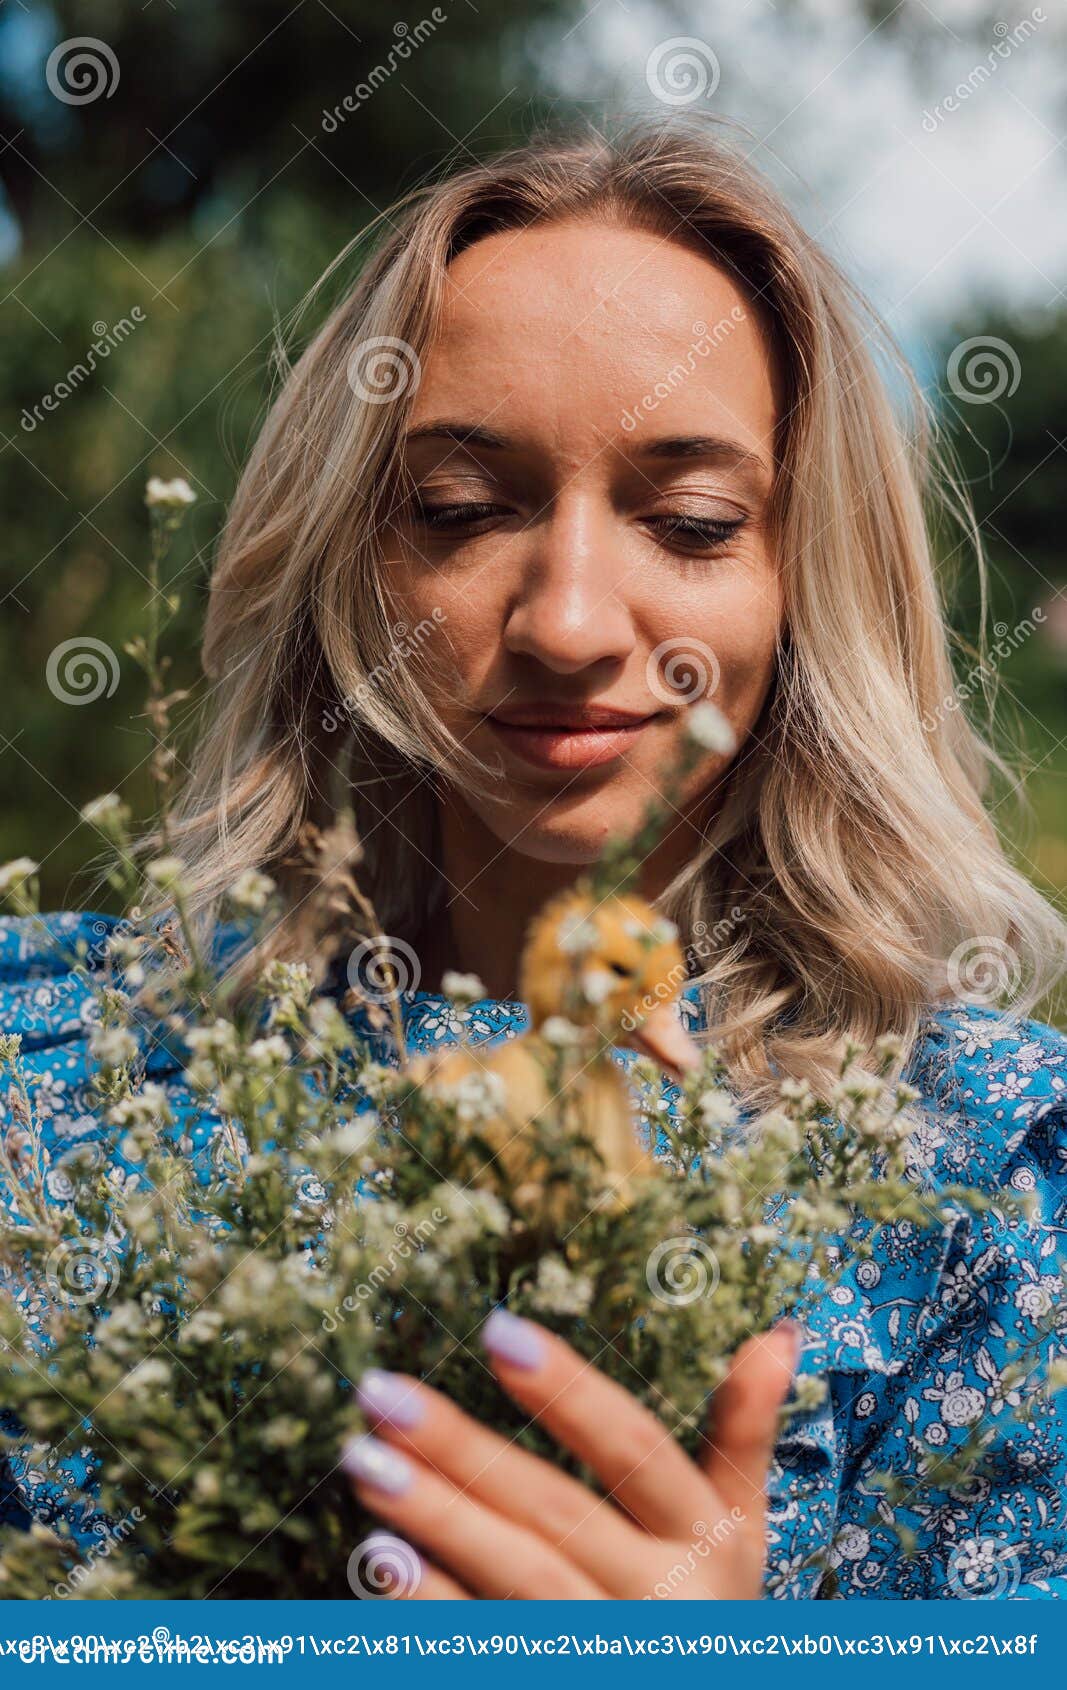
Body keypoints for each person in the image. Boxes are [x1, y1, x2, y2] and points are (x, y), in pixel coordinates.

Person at [2, 119, 1066, 1599]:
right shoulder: (53, 1086)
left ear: (805, 582)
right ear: (345, 563)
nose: (570, 622)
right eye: (457, 509)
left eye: (691, 523)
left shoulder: (987, 1190)